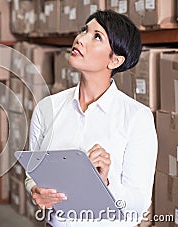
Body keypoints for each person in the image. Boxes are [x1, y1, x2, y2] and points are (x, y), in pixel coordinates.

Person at [25, 10, 157, 226]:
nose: (80, 38)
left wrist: (105, 181)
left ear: (115, 60)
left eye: (97, 36)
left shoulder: (136, 118)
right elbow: (33, 174)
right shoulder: (47, 108)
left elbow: (140, 204)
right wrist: (35, 190)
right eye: (84, 30)